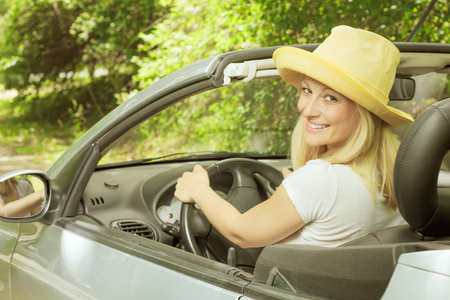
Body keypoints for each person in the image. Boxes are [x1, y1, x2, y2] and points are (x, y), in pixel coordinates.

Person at [174, 25, 414, 248]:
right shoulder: (394, 174)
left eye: (331, 98)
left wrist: (199, 190)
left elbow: (241, 233)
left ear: (364, 113)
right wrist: (293, 188)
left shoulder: (320, 180)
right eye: (306, 90)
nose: (308, 110)